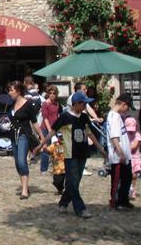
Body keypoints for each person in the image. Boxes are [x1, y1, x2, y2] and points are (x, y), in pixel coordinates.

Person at [35, 91, 106, 219]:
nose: (86, 106)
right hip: (70, 154)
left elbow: (90, 133)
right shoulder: (65, 117)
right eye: (84, 103)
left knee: (75, 181)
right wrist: (41, 145)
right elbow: (52, 132)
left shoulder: (84, 118)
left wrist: (100, 148)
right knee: (73, 182)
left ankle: (63, 203)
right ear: (76, 103)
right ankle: (80, 208)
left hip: (83, 152)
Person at [7, 80, 41, 199]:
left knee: (22, 160)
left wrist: (42, 137)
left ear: (18, 91)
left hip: (23, 135)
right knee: (17, 162)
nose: (10, 93)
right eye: (9, 90)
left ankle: (25, 190)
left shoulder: (27, 105)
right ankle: (24, 186)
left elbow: (35, 122)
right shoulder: (11, 104)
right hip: (13, 135)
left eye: (12, 90)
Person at [107, 93, 134, 209]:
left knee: (127, 179)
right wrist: (121, 153)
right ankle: (116, 201)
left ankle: (124, 200)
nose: (127, 110)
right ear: (124, 104)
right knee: (117, 180)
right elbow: (114, 137)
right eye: (128, 107)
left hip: (124, 156)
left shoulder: (118, 116)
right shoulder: (114, 116)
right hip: (118, 157)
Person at [40, 85, 62, 175]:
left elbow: (58, 116)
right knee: (46, 148)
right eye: (50, 93)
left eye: (54, 93)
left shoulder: (57, 104)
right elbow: (45, 118)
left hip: (55, 128)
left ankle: (56, 167)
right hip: (46, 128)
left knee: (57, 148)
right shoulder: (45, 104)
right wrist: (50, 130)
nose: (52, 95)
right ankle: (43, 169)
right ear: (48, 94)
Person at [124, 116, 141, 199]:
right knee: (126, 176)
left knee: (133, 176)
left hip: (134, 158)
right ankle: (126, 189)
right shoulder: (124, 135)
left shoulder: (137, 135)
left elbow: (133, 146)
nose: (130, 132)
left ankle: (133, 189)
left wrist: (123, 148)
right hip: (126, 157)